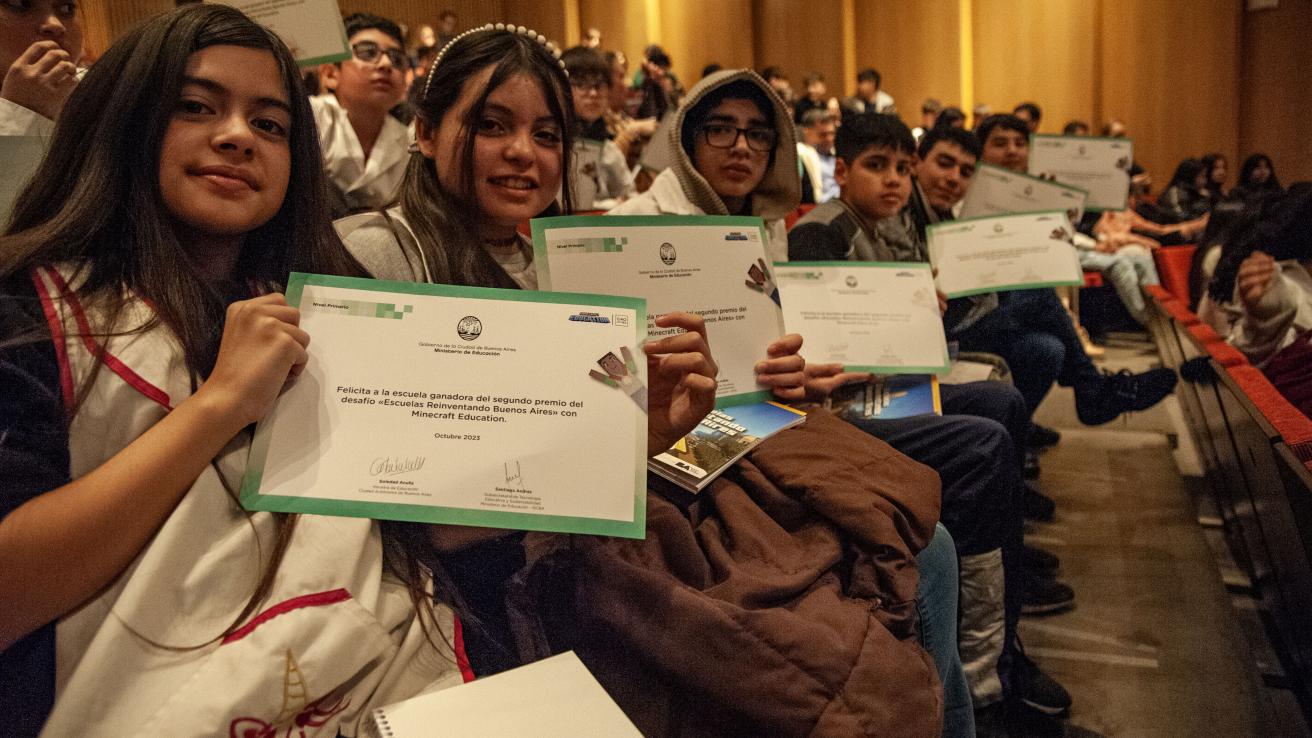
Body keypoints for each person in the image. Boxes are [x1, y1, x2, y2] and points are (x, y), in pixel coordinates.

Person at [338, 41, 945, 736]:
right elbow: (409, 499)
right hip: (525, 551)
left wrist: (751, 395)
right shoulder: (375, 256)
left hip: (644, 492)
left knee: (895, 531)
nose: (521, 153)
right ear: (424, 130)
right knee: (858, 616)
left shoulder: (557, 254)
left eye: (545, 135)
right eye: (492, 125)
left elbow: (639, 426)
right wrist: (647, 443)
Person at [0, 7, 472, 737]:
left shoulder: (325, 301)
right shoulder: (32, 310)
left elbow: (415, 526)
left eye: (271, 124)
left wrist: (609, 440)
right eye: (195, 107)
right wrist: (218, 404)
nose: (236, 137)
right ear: (126, 121)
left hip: (391, 682)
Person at [787, 113, 1076, 728]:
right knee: (988, 428)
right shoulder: (823, 230)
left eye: (900, 168)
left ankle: (999, 642)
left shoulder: (885, 225)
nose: (895, 181)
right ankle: (988, 671)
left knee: (1001, 400)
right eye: (876, 167)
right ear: (841, 171)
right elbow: (835, 344)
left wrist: (923, 313)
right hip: (843, 404)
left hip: (871, 386)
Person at [311, 13, 410, 216]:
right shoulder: (311, 116)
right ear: (330, 74)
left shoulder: (408, 141)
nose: (385, 64)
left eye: (396, 58)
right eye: (367, 52)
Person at [561, 46, 634, 210]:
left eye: (599, 85)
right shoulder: (556, 145)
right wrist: (613, 204)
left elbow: (629, 194)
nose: (593, 93)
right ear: (562, 89)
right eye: (582, 84)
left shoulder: (608, 147)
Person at [0, 0, 83, 135]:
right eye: (20, 5)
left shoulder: (104, 88)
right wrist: (19, 115)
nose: (55, 25)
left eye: (66, 8)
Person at [796, 108, 838, 204]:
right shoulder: (799, 155)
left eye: (832, 134)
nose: (829, 139)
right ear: (807, 133)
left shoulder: (838, 153)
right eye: (823, 135)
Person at [1159, 158, 1213, 222]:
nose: (1205, 181)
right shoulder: (1175, 192)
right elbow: (1180, 218)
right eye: (1202, 176)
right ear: (1190, 176)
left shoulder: (1197, 192)